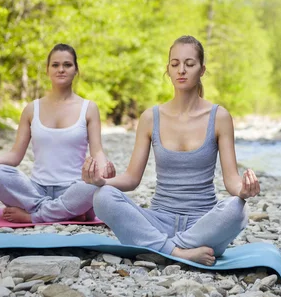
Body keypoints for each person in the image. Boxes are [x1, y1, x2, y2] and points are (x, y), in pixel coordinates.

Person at [83, 35, 260, 265]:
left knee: (238, 209)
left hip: (202, 223)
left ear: (202, 69)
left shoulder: (220, 117)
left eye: (189, 64)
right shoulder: (150, 117)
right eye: (175, 64)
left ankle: (158, 248)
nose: (181, 70)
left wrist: (244, 190)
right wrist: (101, 181)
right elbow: (132, 178)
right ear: (168, 69)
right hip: (158, 219)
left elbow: (231, 180)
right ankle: (179, 253)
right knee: (102, 197)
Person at [0, 43, 115, 223]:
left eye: (67, 65)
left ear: (76, 70)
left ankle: (34, 215)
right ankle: (64, 212)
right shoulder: (32, 109)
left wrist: (102, 172)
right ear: (47, 70)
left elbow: (97, 151)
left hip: (73, 188)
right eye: (55, 65)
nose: (61, 69)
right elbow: (16, 155)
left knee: (93, 188)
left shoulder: (89, 108)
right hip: (36, 189)